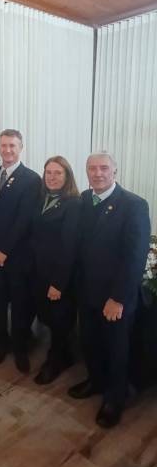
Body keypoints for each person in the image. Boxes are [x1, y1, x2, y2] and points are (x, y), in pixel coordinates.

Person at [68, 151, 150, 428]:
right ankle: (96, 381)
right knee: (90, 342)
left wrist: (118, 298)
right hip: (87, 292)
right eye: (92, 168)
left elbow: (135, 258)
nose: (98, 173)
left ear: (115, 171)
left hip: (115, 297)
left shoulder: (134, 205)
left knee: (115, 349)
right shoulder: (83, 200)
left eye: (104, 168)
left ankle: (115, 398)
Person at [0, 129, 42, 372]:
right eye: (3, 145)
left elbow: (24, 220)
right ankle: (0, 343)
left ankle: (20, 349)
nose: (7, 150)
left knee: (20, 305)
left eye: (12, 145)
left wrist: (5, 251)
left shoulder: (31, 179)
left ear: (21, 148)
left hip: (18, 256)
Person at [31, 156, 81, 385]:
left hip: (59, 276)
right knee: (49, 318)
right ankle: (67, 355)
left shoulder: (74, 204)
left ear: (67, 176)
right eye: (48, 172)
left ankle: (54, 363)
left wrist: (58, 283)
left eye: (58, 173)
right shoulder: (42, 199)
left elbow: (69, 246)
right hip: (40, 272)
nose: (52, 177)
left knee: (60, 322)